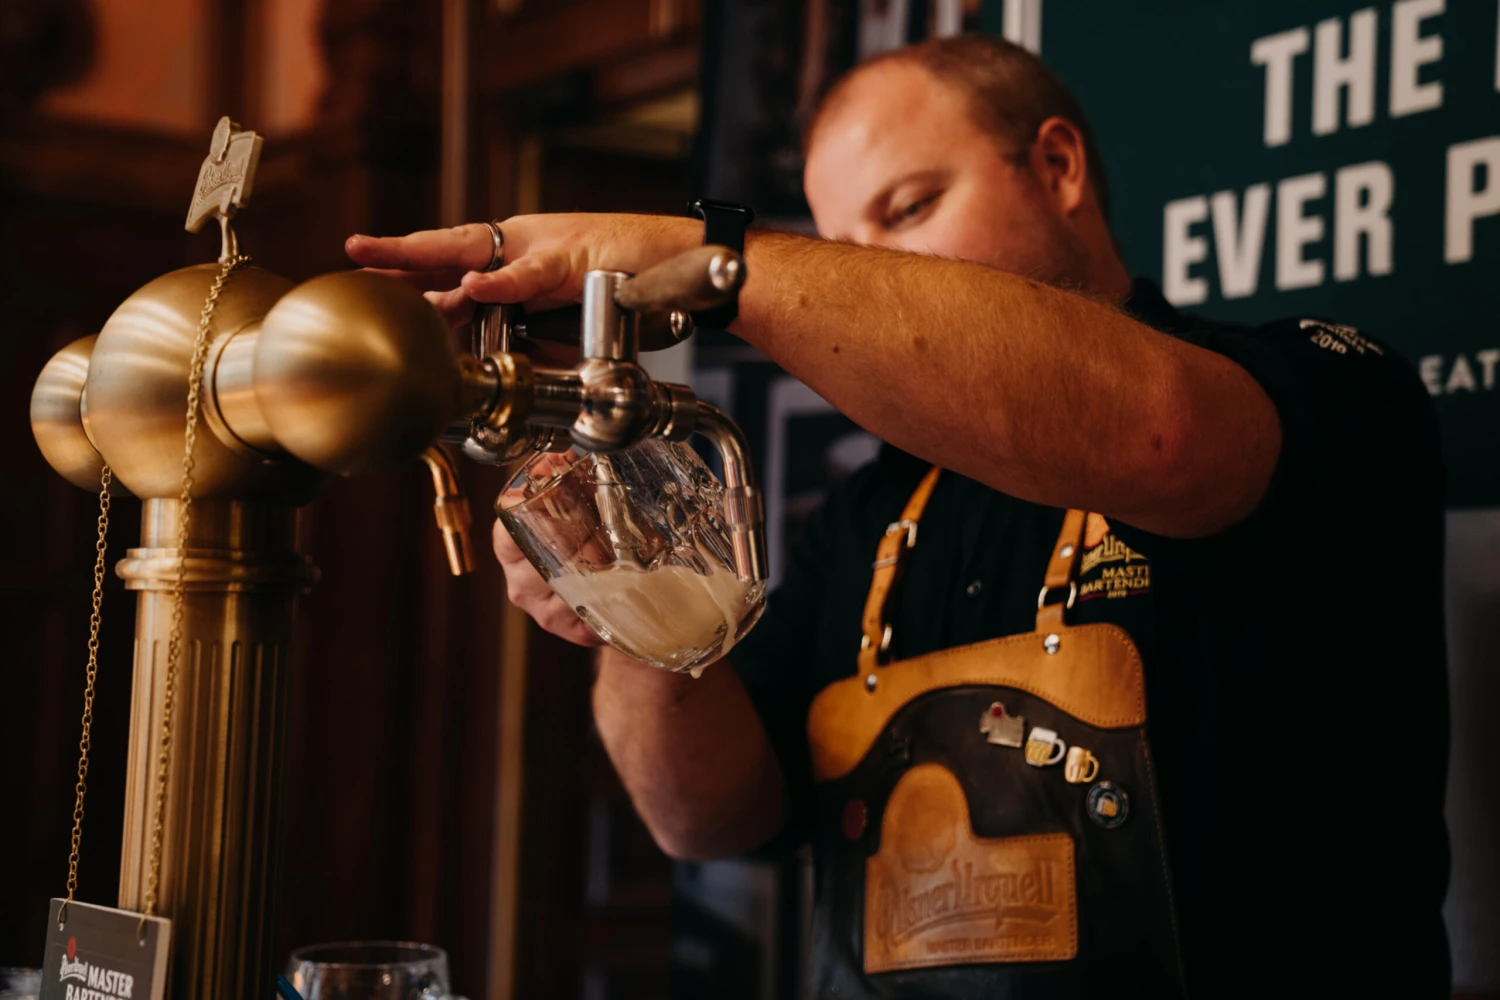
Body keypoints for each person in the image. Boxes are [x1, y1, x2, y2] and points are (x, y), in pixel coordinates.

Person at [346, 36, 1450, 998]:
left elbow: (1152, 435)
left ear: (1058, 167)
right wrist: (631, 595)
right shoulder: (871, 517)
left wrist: (711, 260)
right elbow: (708, 819)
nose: (872, 272)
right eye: (842, 240)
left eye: (910, 208)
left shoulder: (1315, 385)